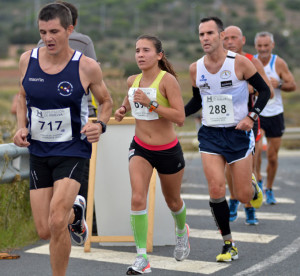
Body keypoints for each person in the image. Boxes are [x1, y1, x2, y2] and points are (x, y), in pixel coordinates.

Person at [13, 3, 112, 276]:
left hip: (72, 149)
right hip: (39, 150)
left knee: (57, 222)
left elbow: (106, 101)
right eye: (43, 32)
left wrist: (100, 125)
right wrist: (21, 126)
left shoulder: (87, 67)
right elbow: (21, 96)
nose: (48, 38)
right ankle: (76, 212)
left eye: (54, 31)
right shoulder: (27, 60)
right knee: (45, 229)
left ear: (70, 29)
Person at [185, 17, 270, 262]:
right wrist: (177, 113)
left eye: (210, 33)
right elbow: (197, 101)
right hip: (210, 134)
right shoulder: (195, 68)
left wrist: (252, 117)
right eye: (201, 34)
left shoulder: (240, 63)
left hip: (238, 134)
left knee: (243, 196)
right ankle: (228, 243)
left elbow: (264, 91)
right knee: (215, 188)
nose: (205, 38)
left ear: (221, 36)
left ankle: (251, 185)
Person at [115, 35, 189, 274]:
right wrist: (123, 108)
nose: (140, 55)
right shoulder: (132, 80)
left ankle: (181, 231)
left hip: (167, 150)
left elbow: (180, 117)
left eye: (146, 50)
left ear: (159, 55)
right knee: (138, 198)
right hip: (140, 148)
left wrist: (152, 104)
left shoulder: (167, 81)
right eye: (137, 50)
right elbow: (130, 98)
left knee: (173, 202)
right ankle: (141, 258)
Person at [223, 25, 274, 225]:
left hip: (248, 121)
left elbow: (267, 90)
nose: (230, 42)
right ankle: (234, 198)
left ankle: (250, 207)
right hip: (225, 123)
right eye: (226, 38)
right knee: (229, 165)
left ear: (243, 40)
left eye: (234, 38)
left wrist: (247, 86)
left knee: (248, 167)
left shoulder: (251, 61)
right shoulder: (219, 62)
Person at [254, 31, 296, 204]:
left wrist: (277, 83)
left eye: (266, 45)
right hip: (258, 113)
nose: (263, 49)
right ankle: (258, 183)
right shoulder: (251, 62)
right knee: (255, 153)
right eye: (260, 46)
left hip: (275, 114)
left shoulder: (278, 63)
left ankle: (269, 188)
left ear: (272, 45)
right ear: (256, 46)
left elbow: (292, 85)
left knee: (272, 156)